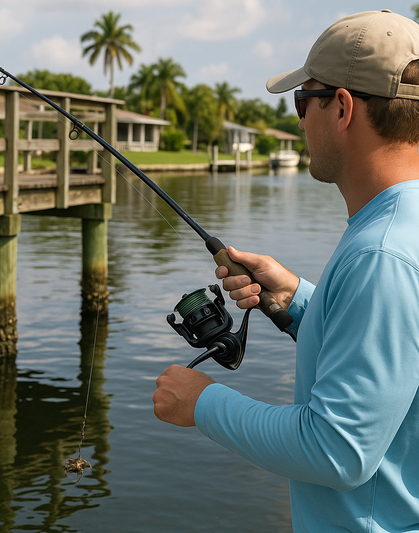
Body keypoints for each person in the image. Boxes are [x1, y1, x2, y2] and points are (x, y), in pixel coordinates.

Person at [153, 10, 419, 533]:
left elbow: (337, 451)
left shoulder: (380, 255)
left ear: (341, 108)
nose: (299, 120)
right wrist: (297, 298)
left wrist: (201, 401)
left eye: (303, 101)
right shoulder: (400, 228)